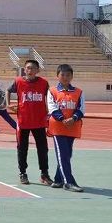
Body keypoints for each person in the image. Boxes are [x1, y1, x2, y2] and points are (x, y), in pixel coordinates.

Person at [7, 59, 53, 186]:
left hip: (39, 121)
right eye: (27, 68)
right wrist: (8, 104)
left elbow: (49, 97)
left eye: (33, 68)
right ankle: (22, 173)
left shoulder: (44, 83)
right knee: (22, 149)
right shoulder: (18, 81)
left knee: (43, 149)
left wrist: (49, 111)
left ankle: (44, 174)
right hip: (23, 121)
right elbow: (8, 90)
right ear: (24, 69)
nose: (30, 70)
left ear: (37, 70)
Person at [47, 64, 85, 192]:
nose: (65, 77)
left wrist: (73, 118)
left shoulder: (79, 92)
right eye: (62, 74)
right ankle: (68, 182)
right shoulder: (52, 91)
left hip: (72, 127)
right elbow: (52, 108)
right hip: (58, 127)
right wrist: (63, 119)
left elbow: (81, 109)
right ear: (57, 76)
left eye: (68, 75)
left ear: (72, 76)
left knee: (67, 155)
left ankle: (58, 180)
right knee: (63, 154)